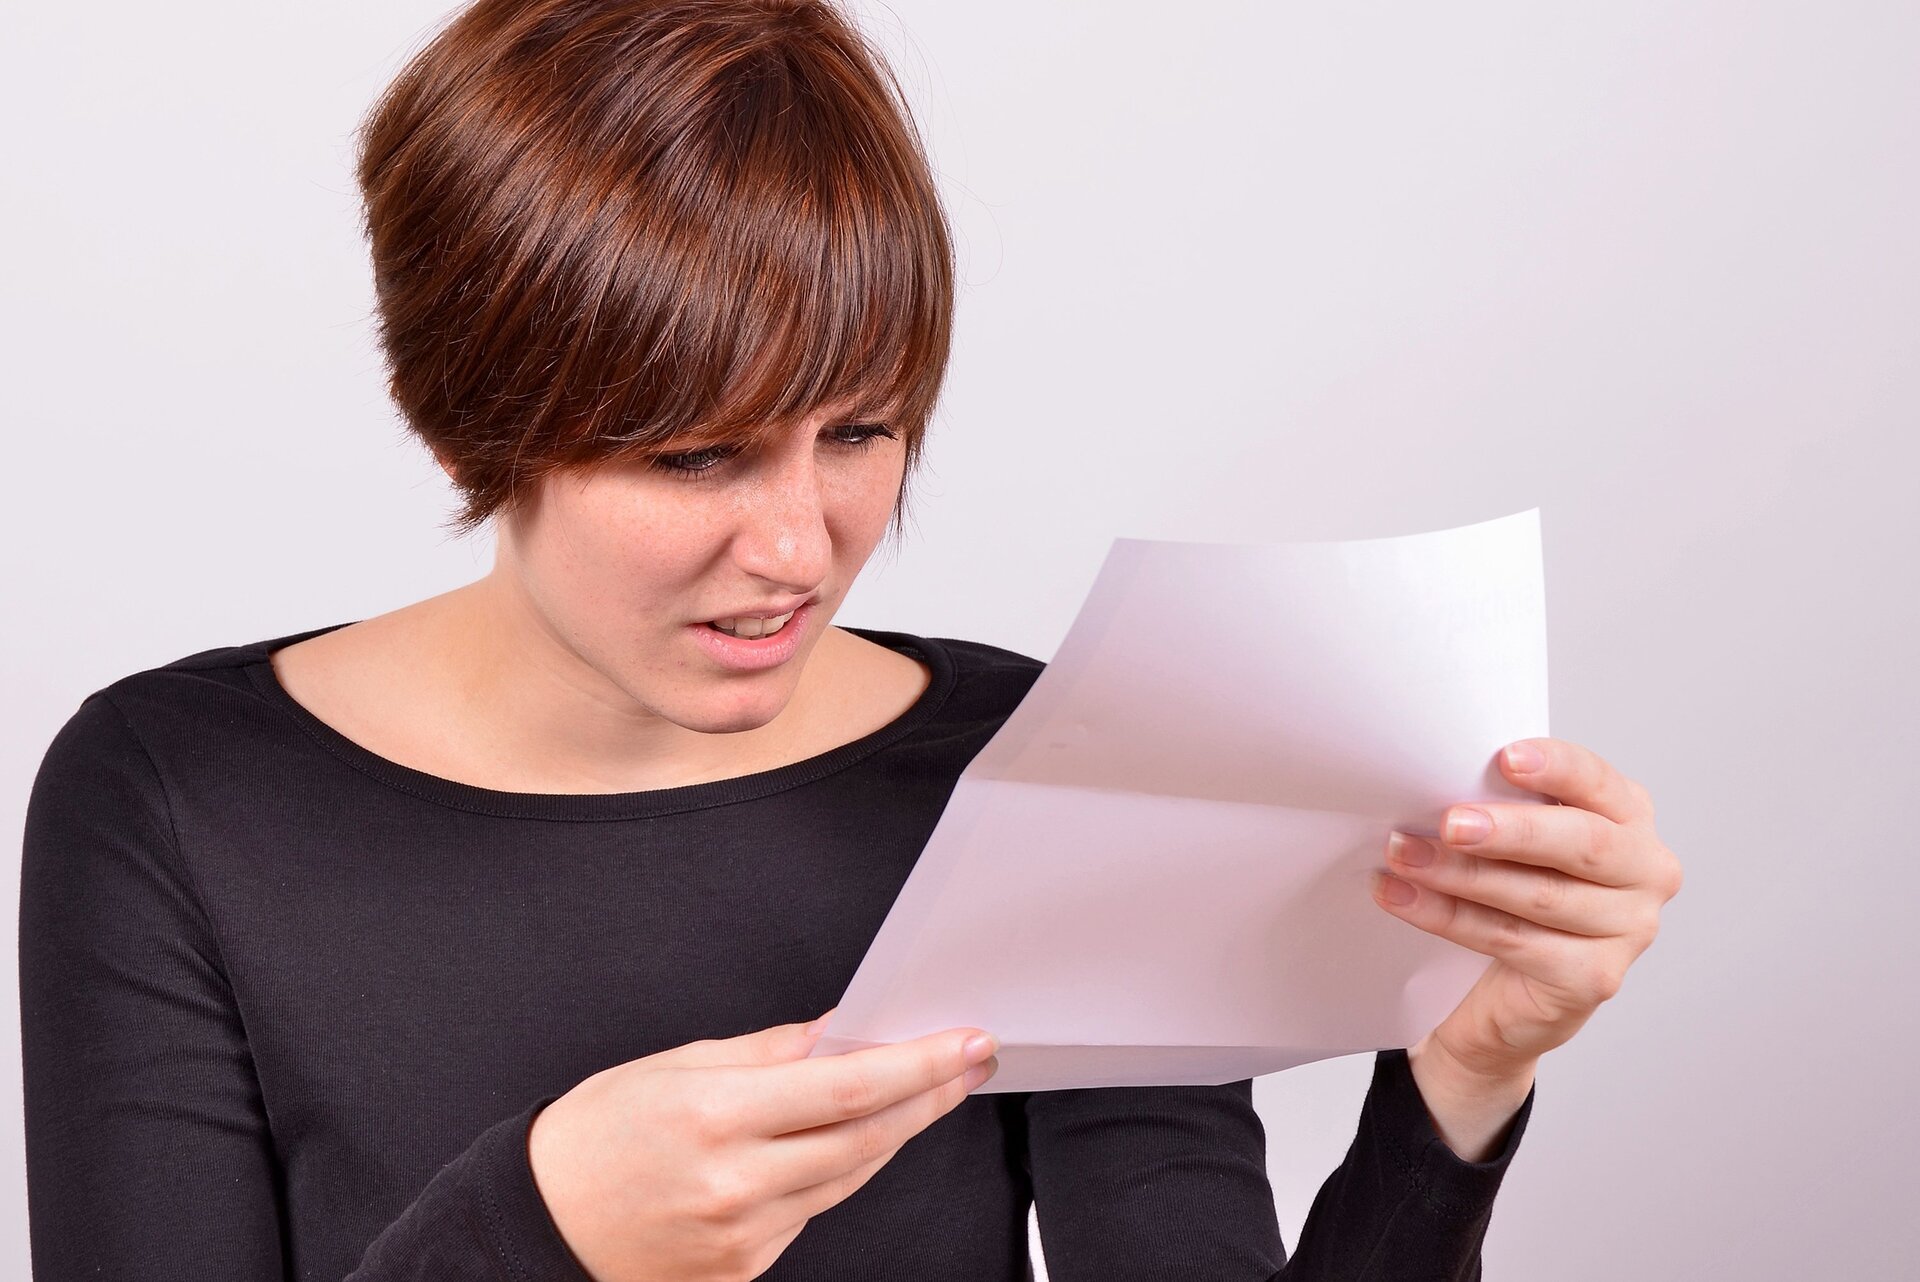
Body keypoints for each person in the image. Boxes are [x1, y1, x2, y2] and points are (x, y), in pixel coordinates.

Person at [19, 1, 1683, 1279]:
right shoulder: (170, 798)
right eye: (697, 455)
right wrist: (540, 1228)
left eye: (861, 431)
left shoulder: (1031, 764)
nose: (801, 546)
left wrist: (1461, 1081)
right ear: (474, 407)